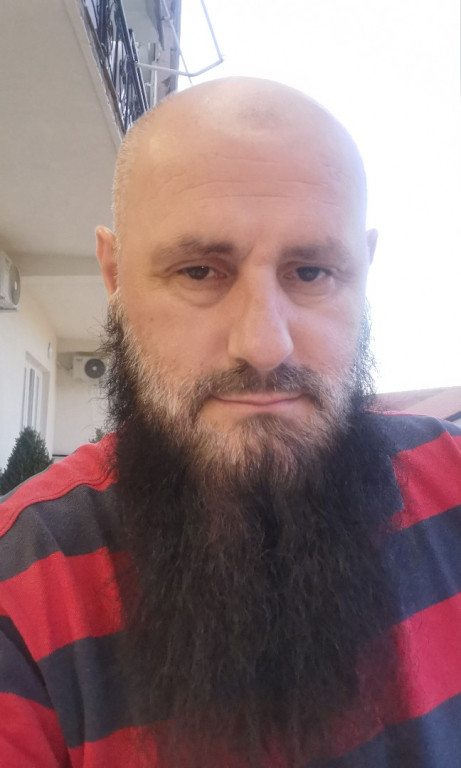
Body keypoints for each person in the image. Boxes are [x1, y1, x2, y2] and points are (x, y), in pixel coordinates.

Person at [0, 77, 460, 768]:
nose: (264, 344)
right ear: (114, 275)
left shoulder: (452, 486)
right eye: (199, 272)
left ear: (363, 269)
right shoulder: (22, 583)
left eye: (311, 272)